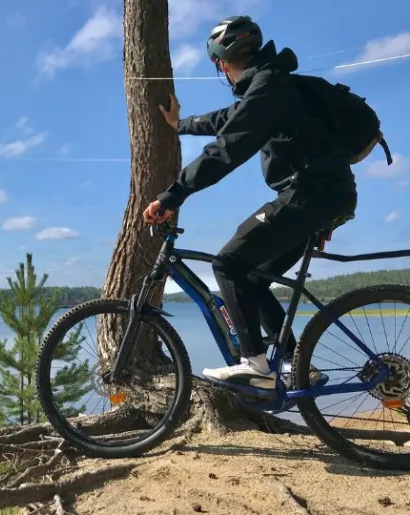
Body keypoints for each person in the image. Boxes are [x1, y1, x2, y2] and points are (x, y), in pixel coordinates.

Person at [142, 15, 357, 391]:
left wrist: (173, 194)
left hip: (311, 193)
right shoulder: (271, 85)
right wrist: (180, 125)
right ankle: (295, 364)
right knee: (254, 277)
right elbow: (227, 120)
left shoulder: (268, 86)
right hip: (324, 194)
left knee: (228, 264)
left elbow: (229, 146)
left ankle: (255, 364)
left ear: (222, 64)